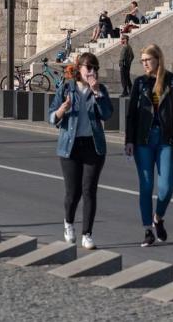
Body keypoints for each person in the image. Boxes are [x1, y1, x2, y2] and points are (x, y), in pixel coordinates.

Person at [125, 44, 173, 247]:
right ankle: (147, 230)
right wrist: (129, 140)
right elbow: (131, 115)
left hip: (166, 140)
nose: (143, 63)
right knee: (145, 186)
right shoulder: (140, 83)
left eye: (147, 60)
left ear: (157, 59)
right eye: (142, 60)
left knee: (166, 188)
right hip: (143, 140)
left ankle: (158, 218)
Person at [48, 52, 112, 250]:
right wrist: (62, 109)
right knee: (73, 192)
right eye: (88, 68)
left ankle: (87, 234)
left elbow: (107, 114)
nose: (92, 72)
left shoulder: (100, 90)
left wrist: (97, 93)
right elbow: (51, 116)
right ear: (79, 69)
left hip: (93, 146)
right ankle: (68, 223)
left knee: (89, 191)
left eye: (95, 69)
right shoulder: (67, 88)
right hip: (70, 146)